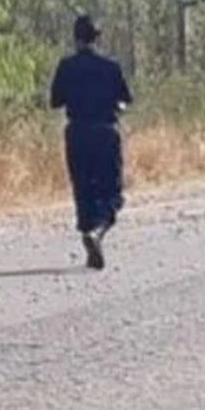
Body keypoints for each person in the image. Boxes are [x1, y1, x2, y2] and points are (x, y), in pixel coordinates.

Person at [49, 15, 133, 270]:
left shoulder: (67, 66)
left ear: (76, 38)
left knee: (83, 188)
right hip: (105, 131)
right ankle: (98, 231)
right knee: (111, 191)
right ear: (98, 38)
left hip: (77, 132)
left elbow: (56, 101)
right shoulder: (111, 66)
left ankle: (89, 232)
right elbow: (125, 98)